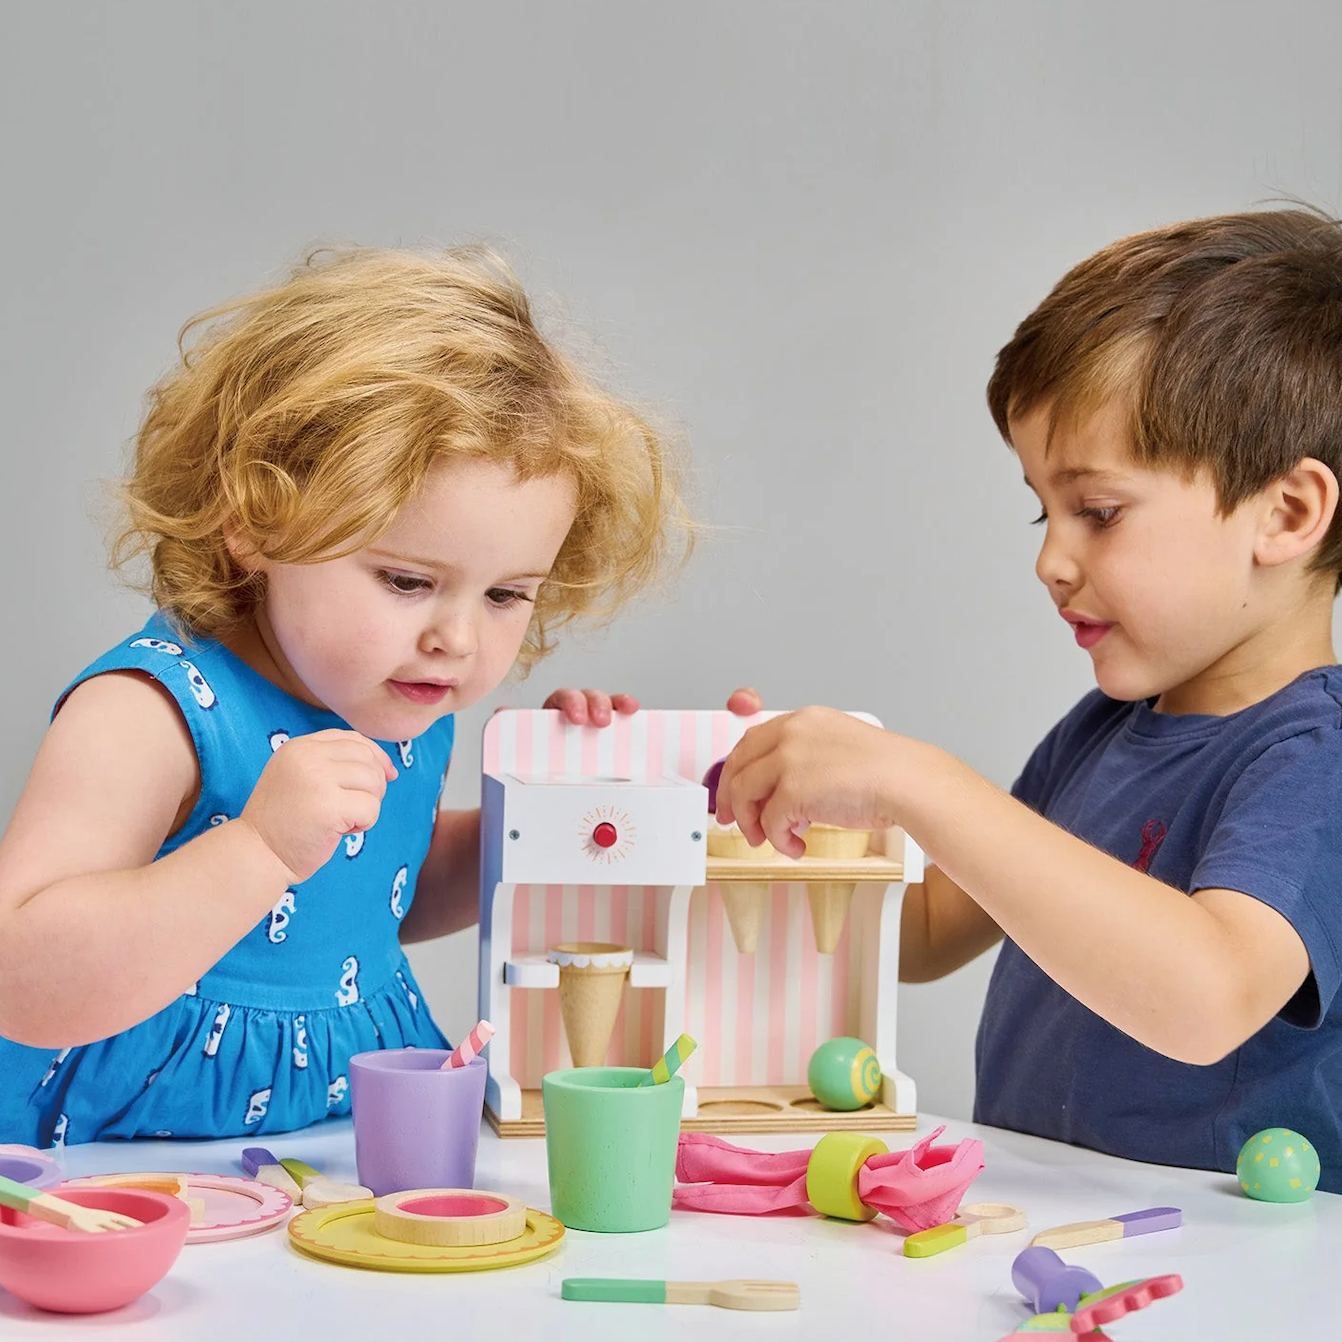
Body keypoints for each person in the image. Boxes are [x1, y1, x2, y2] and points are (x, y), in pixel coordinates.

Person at [0, 245, 690, 1146]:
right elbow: (20, 975)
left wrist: (528, 826)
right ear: (255, 522)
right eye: (407, 581)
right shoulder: (151, 713)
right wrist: (259, 848)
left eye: (506, 594)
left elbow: (380, 892)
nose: (457, 639)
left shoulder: (404, 700)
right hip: (110, 1161)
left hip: (326, 1138)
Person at [717, 208, 1342, 1191]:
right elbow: (925, 934)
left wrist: (920, 782)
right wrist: (758, 808)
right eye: (1042, 511)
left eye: (1098, 511)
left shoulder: (1318, 759)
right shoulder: (1100, 734)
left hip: (1229, 1252)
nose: (1051, 560)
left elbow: (1210, 996)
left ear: (1287, 513)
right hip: (1056, 1222)